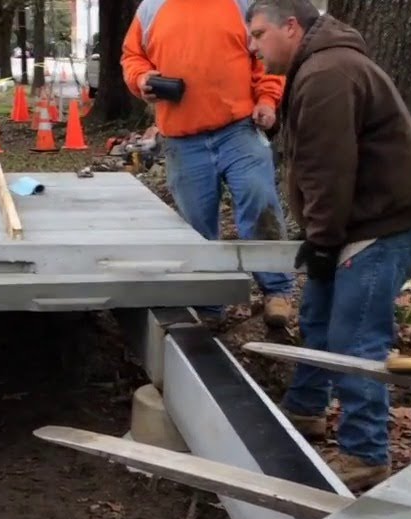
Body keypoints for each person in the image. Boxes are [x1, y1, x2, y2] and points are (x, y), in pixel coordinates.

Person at [246, 0, 411, 492]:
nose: (253, 47)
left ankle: (365, 453)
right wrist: (323, 239)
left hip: (382, 225)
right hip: (357, 219)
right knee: (317, 316)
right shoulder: (319, 66)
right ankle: (306, 409)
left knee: (356, 339)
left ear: (291, 27)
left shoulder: (327, 75)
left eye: (259, 34)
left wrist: (323, 241)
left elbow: (327, 169)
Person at [121, 0, 297, 329]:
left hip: (239, 128)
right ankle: (208, 305)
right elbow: (132, 56)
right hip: (182, 138)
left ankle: (277, 290)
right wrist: (142, 78)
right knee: (196, 225)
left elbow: (267, 57)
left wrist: (266, 99)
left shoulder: (242, 4)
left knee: (258, 199)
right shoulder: (151, 8)